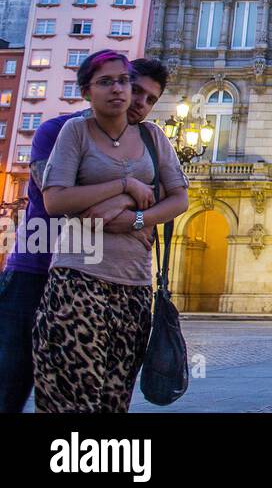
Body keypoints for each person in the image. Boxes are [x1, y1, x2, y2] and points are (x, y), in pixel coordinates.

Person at [0, 56, 170, 414]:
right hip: (37, 266)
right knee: (10, 382)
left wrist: (132, 204)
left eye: (150, 99)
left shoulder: (148, 143)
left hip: (107, 274)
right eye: (132, 88)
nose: (138, 102)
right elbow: (60, 196)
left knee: (100, 392)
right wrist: (128, 190)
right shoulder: (59, 131)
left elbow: (161, 200)